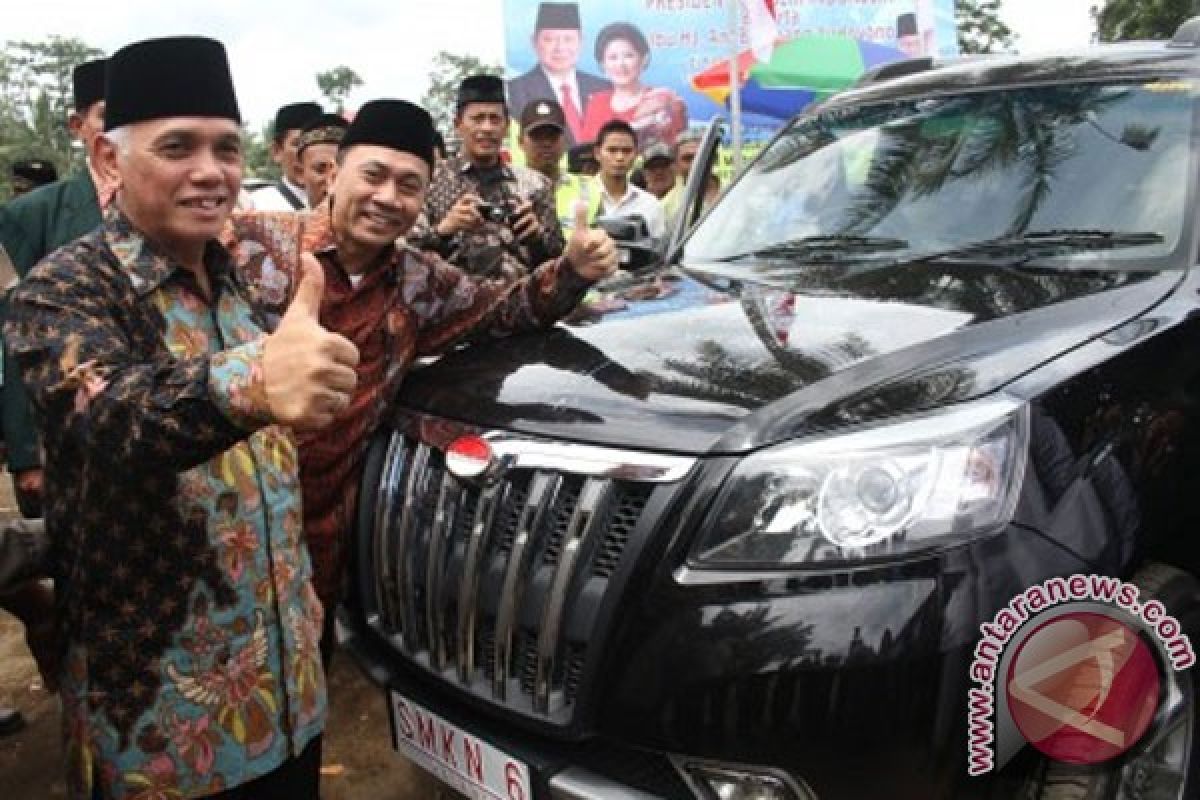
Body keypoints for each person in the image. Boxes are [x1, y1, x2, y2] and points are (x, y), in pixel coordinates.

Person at [4, 36, 359, 799]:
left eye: (227, 148)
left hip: (288, 686)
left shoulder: (239, 283)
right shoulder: (64, 289)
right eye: (178, 146)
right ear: (106, 158)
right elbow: (113, 416)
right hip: (160, 722)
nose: (212, 171)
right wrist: (256, 382)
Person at [229, 98, 618, 666]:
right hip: (225, 527)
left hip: (318, 541)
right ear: (334, 173)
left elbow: (505, 307)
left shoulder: (418, 282)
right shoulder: (247, 244)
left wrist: (574, 268)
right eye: (374, 175)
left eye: (409, 185)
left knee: (300, 691)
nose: (389, 198)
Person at [0, 57, 110, 520]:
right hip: (63, 442)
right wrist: (28, 452)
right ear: (78, 125)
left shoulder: (166, 211)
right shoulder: (33, 214)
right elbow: (13, 339)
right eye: (108, 115)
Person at [410, 75, 565, 281]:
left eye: (495, 119)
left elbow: (557, 265)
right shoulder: (429, 180)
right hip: (449, 307)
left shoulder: (536, 184)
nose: (487, 128)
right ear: (458, 124)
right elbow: (405, 254)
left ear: (507, 126)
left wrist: (536, 238)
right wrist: (444, 230)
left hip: (518, 304)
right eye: (477, 118)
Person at [507, 2, 611, 146]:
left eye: (568, 39)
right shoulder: (515, 91)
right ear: (534, 42)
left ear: (581, 42)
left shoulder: (603, 87)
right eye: (549, 39)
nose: (560, 47)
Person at [580, 21, 687, 150]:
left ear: (644, 59)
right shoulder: (596, 103)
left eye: (628, 56)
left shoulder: (662, 99)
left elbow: (678, 150)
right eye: (613, 57)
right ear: (602, 65)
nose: (621, 64)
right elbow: (587, 150)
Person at [517, 98, 591, 233]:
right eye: (537, 137)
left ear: (565, 141)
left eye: (553, 136)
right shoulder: (508, 187)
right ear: (520, 141)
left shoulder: (590, 188)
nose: (546, 143)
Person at [592, 119, 665, 239]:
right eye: (612, 150)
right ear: (597, 153)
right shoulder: (580, 197)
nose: (620, 157)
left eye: (627, 151)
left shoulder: (650, 204)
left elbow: (656, 253)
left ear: (636, 154)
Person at [249, 101, 323, 210]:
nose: (308, 154)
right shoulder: (257, 205)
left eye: (316, 143)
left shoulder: (340, 202)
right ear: (277, 151)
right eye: (298, 144)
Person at [296, 112, 347, 208]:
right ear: (300, 173)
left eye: (340, 169)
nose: (330, 181)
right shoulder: (283, 223)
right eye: (320, 170)